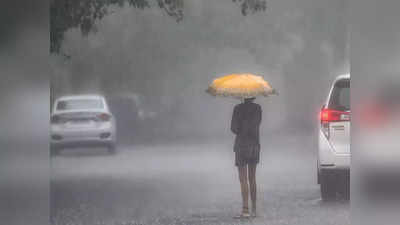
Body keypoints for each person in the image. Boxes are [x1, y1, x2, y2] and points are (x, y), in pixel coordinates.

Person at [231, 97, 262, 218]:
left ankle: (245, 209)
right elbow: (257, 124)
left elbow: (233, 128)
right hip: (254, 145)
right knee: (252, 178)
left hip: (241, 146)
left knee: (243, 179)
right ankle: (254, 208)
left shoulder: (237, 109)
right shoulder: (258, 109)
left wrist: (240, 126)